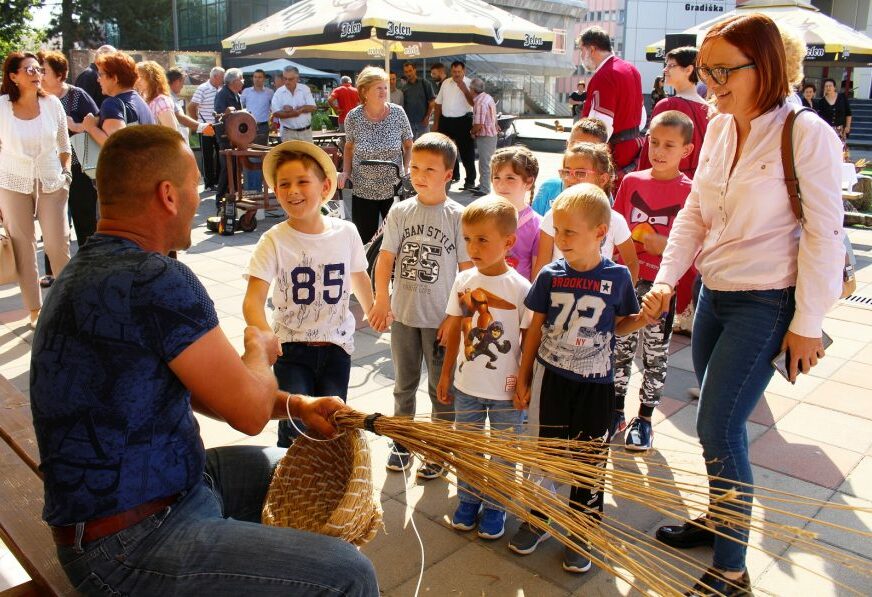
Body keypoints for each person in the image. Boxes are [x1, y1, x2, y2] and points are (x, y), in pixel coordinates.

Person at [29, 125, 378, 595]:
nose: (201, 198)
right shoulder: (159, 279)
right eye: (197, 185)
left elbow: (210, 388)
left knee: (294, 469)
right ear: (168, 195)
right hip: (130, 542)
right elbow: (249, 414)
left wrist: (296, 406)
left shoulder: (82, 269)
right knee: (349, 574)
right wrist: (258, 349)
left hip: (157, 493)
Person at [643, 15, 843, 595]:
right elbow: (696, 214)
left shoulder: (805, 133)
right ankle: (717, 519)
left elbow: (826, 235)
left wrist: (808, 325)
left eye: (724, 71)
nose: (710, 84)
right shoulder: (722, 126)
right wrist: (667, 281)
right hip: (714, 293)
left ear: (769, 64)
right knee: (716, 428)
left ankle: (731, 570)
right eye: (706, 71)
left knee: (719, 424)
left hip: (768, 302)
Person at [509, 183, 649, 573]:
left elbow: (620, 326)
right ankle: (539, 517)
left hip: (596, 385)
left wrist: (645, 318)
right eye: (558, 230)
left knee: (589, 460)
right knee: (544, 452)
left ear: (600, 232)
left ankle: (582, 530)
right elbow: (534, 328)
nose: (561, 239)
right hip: (551, 379)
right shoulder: (551, 274)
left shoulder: (618, 277)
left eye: (570, 231)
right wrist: (524, 374)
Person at [243, 141, 374, 447]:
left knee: (333, 424)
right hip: (291, 349)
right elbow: (252, 300)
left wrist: (374, 308)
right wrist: (265, 335)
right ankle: (290, 486)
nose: (293, 191)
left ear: (325, 186)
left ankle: (329, 485)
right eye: (284, 184)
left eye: (303, 181)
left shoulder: (346, 232)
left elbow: (358, 275)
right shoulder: (273, 240)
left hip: (336, 347)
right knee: (295, 430)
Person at [368, 132, 472, 477]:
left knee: (441, 389)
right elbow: (384, 260)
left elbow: (467, 273)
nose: (419, 175)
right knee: (404, 385)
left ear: (448, 174)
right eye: (414, 167)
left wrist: (456, 317)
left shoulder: (458, 215)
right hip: (404, 316)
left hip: (440, 320)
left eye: (430, 169)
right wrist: (382, 298)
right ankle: (403, 440)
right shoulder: (400, 211)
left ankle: (439, 448)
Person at [436, 197, 531, 540]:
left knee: (504, 453)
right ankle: (468, 500)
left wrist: (524, 382)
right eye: (468, 239)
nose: (472, 247)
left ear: (508, 242)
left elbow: (527, 343)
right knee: (468, 448)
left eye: (482, 239)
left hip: (505, 391)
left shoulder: (521, 289)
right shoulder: (463, 281)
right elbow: (456, 330)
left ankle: (496, 506)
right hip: (467, 387)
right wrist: (446, 374)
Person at [610, 111, 694, 452]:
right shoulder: (632, 182)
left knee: (655, 354)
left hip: (663, 288)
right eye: (654, 142)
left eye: (669, 145)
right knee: (619, 349)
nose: (658, 151)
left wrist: (678, 283)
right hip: (627, 282)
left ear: (685, 151)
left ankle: (643, 418)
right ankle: (615, 411)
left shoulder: (692, 191)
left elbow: (693, 246)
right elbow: (616, 229)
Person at [0, 52, 71, 328]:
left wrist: (66, 175)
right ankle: (34, 310)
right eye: (28, 69)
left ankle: (66, 305)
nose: (35, 73)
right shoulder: (2, 106)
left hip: (51, 181)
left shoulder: (52, 103)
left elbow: (64, 145)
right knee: (23, 247)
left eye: (38, 69)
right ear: (13, 76)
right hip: (12, 183)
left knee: (57, 243)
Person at [532, 142, 638, 284]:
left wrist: (623, 298)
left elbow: (631, 262)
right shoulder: (552, 216)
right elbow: (542, 264)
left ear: (602, 179)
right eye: (566, 172)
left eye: (580, 173)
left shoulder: (614, 220)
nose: (570, 178)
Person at [339, 66, 413, 244]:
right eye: (378, 88)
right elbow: (348, 148)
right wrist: (345, 172)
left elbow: (409, 145)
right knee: (365, 241)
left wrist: (407, 170)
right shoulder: (353, 117)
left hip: (393, 188)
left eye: (385, 87)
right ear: (364, 91)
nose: (384, 91)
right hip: (363, 188)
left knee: (394, 241)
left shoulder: (397, 113)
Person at [38, 50, 99, 257]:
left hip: (78, 166)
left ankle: (88, 265)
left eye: (43, 70)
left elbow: (96, 120)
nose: (39, 74)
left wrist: (78, 125)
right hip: (48, 169)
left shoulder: (76, 95)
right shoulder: (36, 97)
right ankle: (53, 272)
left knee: (85, 219)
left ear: (59, 74)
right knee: (52, 223)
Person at [579, 26, 645, 185]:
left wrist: (584, 154)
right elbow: (641, 117)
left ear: (592, 49)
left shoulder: (604, 75)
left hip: (614, 153)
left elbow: (601, 126)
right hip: (633, 148)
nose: (581, 56)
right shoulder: (632, 69)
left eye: (582, 50)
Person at [638, 47, 709, 179]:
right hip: (699, 183)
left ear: (688, 69)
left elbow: (650, 151)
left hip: (666, 182)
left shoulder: (668, 105)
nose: (665, 70)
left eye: (671, 65)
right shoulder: (711, 109)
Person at [531, 117, 608, 216]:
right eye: (575, 145)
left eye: (589, 148)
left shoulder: (604, 196)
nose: (579, 152)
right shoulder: (549, 188)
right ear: (567, 145)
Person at [78, 51, 155, 147]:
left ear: (114, 78)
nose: (98, 79)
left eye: (101, 74)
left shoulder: (112, 104)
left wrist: (91, 128)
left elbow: (117, 146)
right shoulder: (140, 102)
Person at [489, 146, 540, 281]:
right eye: (496, 177)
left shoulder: (538, 225)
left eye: (510, 178)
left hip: (519, 298)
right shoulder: (483, 216)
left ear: (528, 182)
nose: (501, 184)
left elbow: (537, 276)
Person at [434, 61, 476, 190]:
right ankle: (453, 175)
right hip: (446, 120)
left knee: (466, 152)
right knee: (446, 151)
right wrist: (436, 123)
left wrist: (464, 89)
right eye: (454, 72)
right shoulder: (446, 83)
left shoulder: (471, 84)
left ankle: (470, 181)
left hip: (463, 121)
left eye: (459, 72)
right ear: (451, 71)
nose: (456, 74)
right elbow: (438, 103)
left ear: (464, 71)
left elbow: (474, 103)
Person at [188, 66, 225, 190]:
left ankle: (220, 181)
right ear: (215, 77)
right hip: (206, 127)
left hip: (219, 127)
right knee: (207, 155)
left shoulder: (221, 89)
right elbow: (191, 107)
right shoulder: (203, 88)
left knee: (221, 154)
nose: (224, 79)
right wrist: (197, 123)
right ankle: (209, 183)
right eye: (222, 77)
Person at [213, 68, 244, 202]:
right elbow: (220, 116)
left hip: (236, 136)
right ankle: (220, 198)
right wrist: (228, 113)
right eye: (241, 78)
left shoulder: (236, 94)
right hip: (226, 137)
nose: (243, 81)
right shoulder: (222, 94)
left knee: (236, 168)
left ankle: (234, 196)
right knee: (227, 168)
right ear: (234, 81)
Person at [271, 65, 316, 142]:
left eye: (290, 79)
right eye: (285, 79)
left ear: (297, 79)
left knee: (307, 154)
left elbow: (313, 107)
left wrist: (301, 109)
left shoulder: (305, 89)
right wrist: (292, 113)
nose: (287, 82)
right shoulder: (279, 92)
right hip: (288, 133)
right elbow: (275, 113)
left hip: (306, 132)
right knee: (289, 154)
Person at [167, 68, 211, 144]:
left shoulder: (171, 96)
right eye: (183, 82)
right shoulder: (169, 97)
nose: (182, 86)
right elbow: (180, 117)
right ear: (177, 81)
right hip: (176, 144)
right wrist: (203, 127)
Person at [136, 61, 181, 134]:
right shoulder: (143, 97)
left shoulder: (161, 101)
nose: (137, 81)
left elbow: (172, 133)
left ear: (152, 79)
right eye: (136, 77)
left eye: (141, 77)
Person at [470, 77, 498, 196]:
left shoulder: (480, 102)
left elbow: (479, 124)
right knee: (485, 162)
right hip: (491, 134)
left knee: (484, 163)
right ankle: (482, 184)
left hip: (485, 136)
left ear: (472, 89)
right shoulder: (487, 97)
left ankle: (485, 189)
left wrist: (472, 132)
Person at [401, 62, 435, 139]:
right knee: (411, 147)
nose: (408, 73)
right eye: (406, 72)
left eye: (410, 70)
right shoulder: (404, 88)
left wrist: (427, 117)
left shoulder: (425, 83)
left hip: (423, 123)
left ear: (415, 70)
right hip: (409, 124)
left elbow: (432, 102)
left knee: (424, 146)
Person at [241, 68, 275, 144]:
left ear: (264, 79)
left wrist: (275, 122)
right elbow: (240, 107)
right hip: (248, 125)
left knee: (262, 150)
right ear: (252, 78)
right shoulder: (246, 91)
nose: (257, 79)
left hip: (263, 126)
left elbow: (275, 108)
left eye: (260, 77)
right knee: (247, 148)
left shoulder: (270, 92)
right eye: (255, 77)